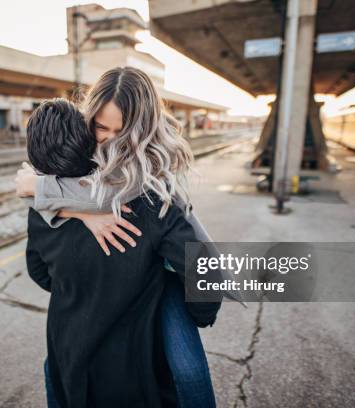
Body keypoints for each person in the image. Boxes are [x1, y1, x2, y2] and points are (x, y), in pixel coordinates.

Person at [17, 67, 239, 407]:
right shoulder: (151, 203)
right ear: (86, 118)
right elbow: (205, 270)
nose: (108, 139)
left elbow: (40, 273)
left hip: (70, 351)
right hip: (132, 365)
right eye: (100, 127)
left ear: (142, 131)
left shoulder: (145, 185)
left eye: (121, 132)